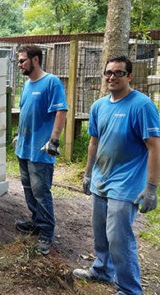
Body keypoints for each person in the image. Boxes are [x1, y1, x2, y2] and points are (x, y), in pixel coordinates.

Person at [73, 56, 160, 295]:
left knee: (120, 239)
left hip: (127, 183)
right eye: (108, 72)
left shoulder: (141, 105)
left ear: (129, 76)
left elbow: (154, 145)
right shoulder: (99, 106)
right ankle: (102, 270)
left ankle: (129, 289)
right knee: (101, 233)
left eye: (119, 73)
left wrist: (152, 187)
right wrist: (88, 174)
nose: (112, 77)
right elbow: (94, 142)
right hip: (101, 179)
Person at [14, 45, 68, 255]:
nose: (19, 65)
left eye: (22, 61)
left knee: (41, 192)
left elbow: (60, 111)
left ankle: (46, 232)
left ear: (35, 60)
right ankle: (36, 222)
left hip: (41, 151)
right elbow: (26, 112)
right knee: (28, 190)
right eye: (19, 61)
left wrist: (54, 140)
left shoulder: (51, 82)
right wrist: (19, 135)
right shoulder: (27, 85)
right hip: (24, 149)